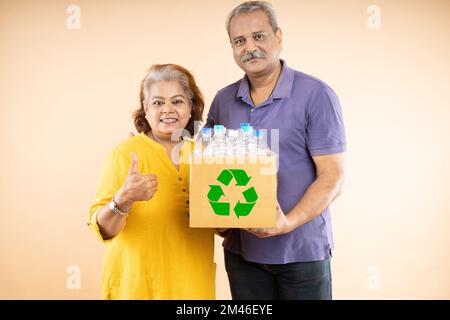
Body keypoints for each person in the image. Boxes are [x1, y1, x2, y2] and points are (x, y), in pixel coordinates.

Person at [206, 1, 346, 300]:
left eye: (259, 36)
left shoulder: (316, 95)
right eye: (239, 41)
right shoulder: (223, 101)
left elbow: (332, 178)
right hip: (242, 255)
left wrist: (286, 223)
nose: (250, 47)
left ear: (278, 37)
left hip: (302, 254)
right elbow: (207, 166)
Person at [88, 64, 216, 299]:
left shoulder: (205, 156)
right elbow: (103, 229)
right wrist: (122, 200)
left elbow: (222, 225)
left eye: (177, 101)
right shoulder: (125, 154)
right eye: (157, 103)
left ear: (191, 108)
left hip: (193, 290)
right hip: (138, 289)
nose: (167, 109)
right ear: (145, 110)